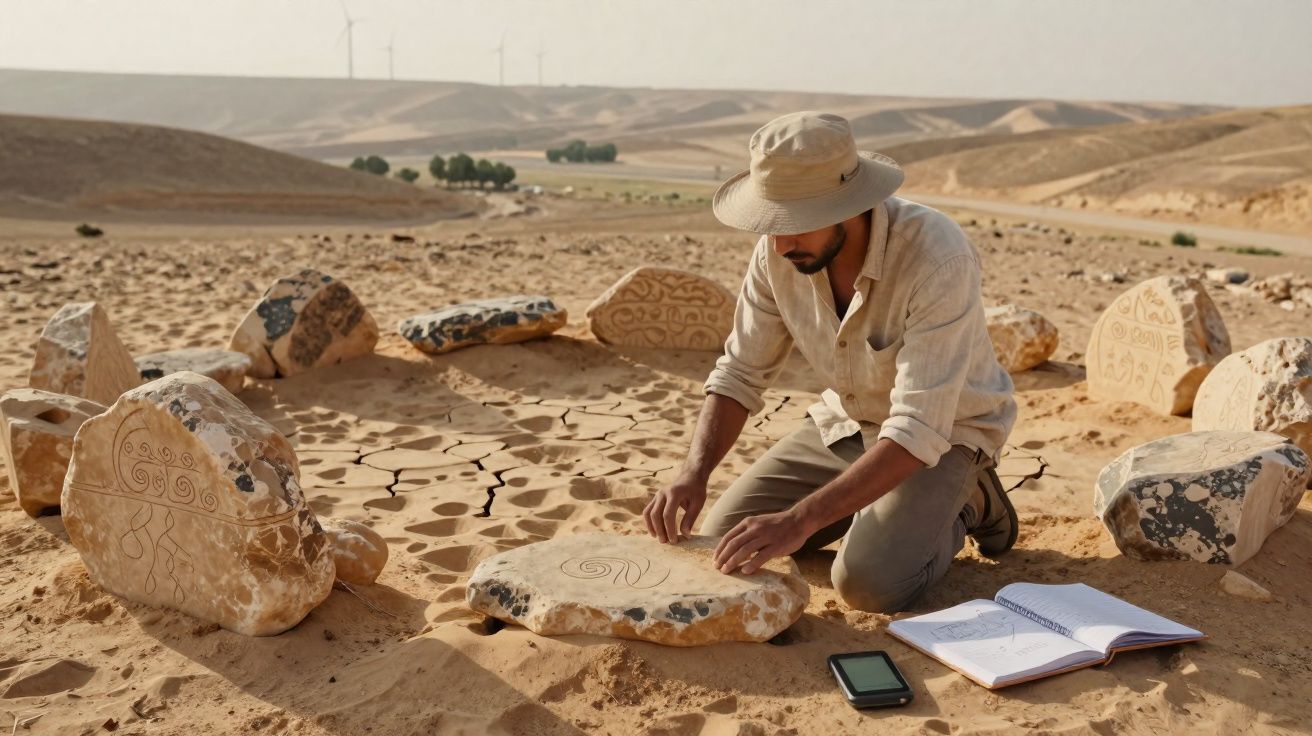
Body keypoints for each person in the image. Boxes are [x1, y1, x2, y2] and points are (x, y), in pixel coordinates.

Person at [642, 111, 1019, 613]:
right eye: (771, 223)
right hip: (848, 425)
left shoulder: (936, 256)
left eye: (794, 224)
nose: (779, 244)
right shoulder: (779, 251)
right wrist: (693, 472)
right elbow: (739, 372)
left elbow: (918, 427)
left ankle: (972, 499)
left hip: (943, 436)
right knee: (725, 540)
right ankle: (864, 511)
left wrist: (800, 520)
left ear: (849, 206)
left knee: (870, 584)